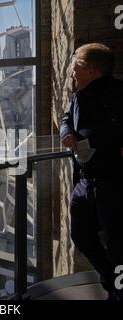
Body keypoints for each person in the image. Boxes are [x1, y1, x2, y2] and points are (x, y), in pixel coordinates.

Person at [60, 43, 123, 299]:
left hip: (113, 185)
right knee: (81, 234)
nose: (72, 70)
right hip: (85, 183)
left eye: (76, 63)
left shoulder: (119, 94)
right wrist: (66, 132)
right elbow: (66, 117)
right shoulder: (78, 97)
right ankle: (111, 279)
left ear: (91, 70)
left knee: (118, 245)